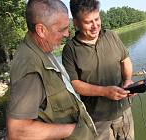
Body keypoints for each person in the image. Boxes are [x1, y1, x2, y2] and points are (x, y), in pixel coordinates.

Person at [7, 0, 97, 139]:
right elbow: (18, 131)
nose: (67, 34)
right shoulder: (29, 65)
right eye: (62, 29)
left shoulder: (42, 50)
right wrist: (74, 130)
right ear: (41, 30)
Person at [62, 0, 135, 139]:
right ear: (75, 23)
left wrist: (128, 80)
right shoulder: (70, 50)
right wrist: (104, 92)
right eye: (89, 22)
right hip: (97, 118)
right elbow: (74, 84)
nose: (95, 26)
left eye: (97, 19)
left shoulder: (112, 36)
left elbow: (125, 61)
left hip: (124, 109)